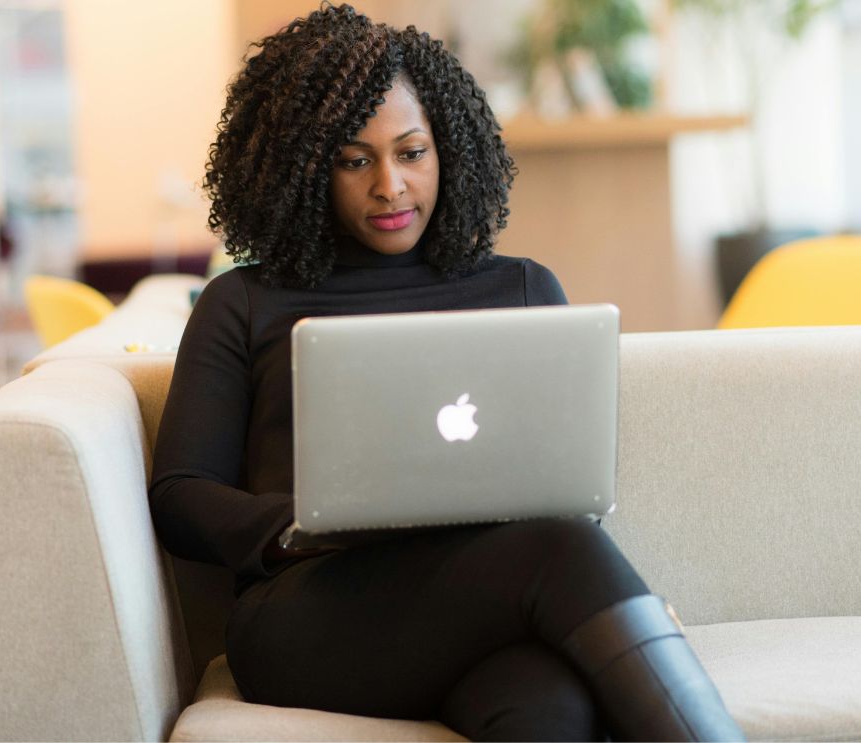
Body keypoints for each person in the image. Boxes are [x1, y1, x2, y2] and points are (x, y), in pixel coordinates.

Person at [149, 5, 744, 741]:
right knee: (562, 550)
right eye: (354, 159)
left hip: (491, 598)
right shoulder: (242, 301)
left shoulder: (523, 287)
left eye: (411, 151)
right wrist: (299, 528)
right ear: (303, 167)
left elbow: (562, 474)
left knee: (545, 700)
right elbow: (180, 495)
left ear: (447, 150)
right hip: (310, 614)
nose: (390, 186)